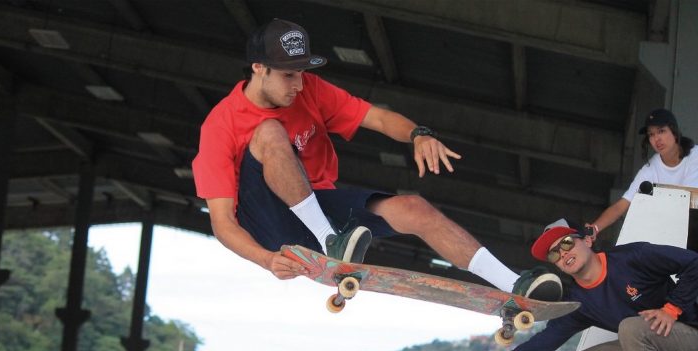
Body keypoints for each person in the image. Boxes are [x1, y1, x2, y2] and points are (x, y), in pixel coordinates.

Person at [192, 18, 561, 300]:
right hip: (269, 225)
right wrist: (265, 260)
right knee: (269, 131)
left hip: (316, 204)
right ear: (259, 67)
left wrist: (419, 134)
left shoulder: (310, 91)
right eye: (289, 76)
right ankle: (329, 240)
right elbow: (223, 223)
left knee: (414, 208)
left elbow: (379, 118)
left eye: (302, 74)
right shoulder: (220, 125)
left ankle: (514, 284)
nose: (299, 86)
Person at [500, 218, 698, 351]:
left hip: (691, 341)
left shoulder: (633, 257)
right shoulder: (578, 302)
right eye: (553, 255)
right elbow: (546, 339)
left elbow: (693, 262)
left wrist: (672, 309)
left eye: (567, 243)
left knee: (631, 328)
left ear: (587, 241)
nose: (563, 253)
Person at [587, 108, 697, 238]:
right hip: (673, 234)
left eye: (661, 131)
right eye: (651, 134)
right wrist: (594, 229)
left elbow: (689, 201)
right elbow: (622, 204)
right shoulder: (650, 168)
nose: (657, 139)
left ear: (674, 132)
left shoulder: (695, 156)